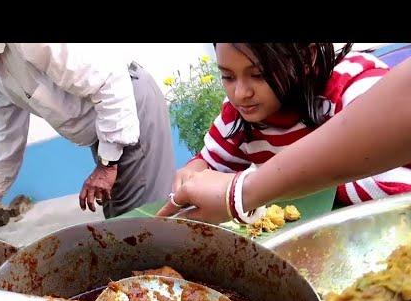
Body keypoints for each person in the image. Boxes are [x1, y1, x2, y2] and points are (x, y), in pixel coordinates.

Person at [158, 43, 411, 222]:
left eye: (258, 74)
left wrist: (270, 182)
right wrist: (195, 172)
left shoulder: (355, 87)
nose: (240, 93)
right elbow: (211, 164)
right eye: (228, 76)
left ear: (307, 58)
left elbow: (398, 186)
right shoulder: (238, 115)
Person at [0, 43, 175, 231]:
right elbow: (7, 139)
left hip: (127, 110)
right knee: (120, 224)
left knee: (140, 228)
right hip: (106, 130)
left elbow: (110, 81)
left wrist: (106, 166)